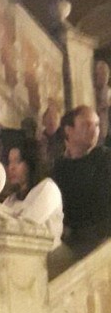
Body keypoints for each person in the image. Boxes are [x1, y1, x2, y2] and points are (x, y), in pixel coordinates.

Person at [52, 106, 111, 261]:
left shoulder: (106, 159)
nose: (94, 130)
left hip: (100, 240)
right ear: (69, 130)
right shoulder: (59, 168)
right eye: (86, 125)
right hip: (69, 239)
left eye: (97, 125)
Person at [2, 139, 63, 246]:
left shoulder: (47, 188)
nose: (11, 167)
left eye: (17, 161)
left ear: (31, 163)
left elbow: (28, 227)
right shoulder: (10, 200)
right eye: (9, 162)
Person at [39, 101, 65, 175]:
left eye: (55, 117)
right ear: (43, 121)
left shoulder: (65, 140)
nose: (52, 120)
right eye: (49, 117)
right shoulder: (40, 140)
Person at [94, 60, 111, 147]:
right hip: (96, 132)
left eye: (106, 74)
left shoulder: (109, 92)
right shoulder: (91, 92)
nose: (103, 77)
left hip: (107, 130)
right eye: (100, 74)